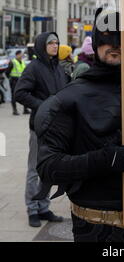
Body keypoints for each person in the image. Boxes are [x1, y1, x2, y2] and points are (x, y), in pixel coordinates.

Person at [34, 9, 124, 242]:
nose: (114, 44)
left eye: (121, 37)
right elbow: (48, 165)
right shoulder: (68, 101)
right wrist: (105, 160)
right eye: (106, 37)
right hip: (93, 226)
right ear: (95, 43)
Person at [14, 32, 67, 228]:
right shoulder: (33, 68)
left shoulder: (58, 68)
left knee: (49, 169)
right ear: (41, 45)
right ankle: (32, 208)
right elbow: (20, 93)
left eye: (56, 42)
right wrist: (43, 105)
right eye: (50, 42)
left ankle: (44, 206)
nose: (55, 45)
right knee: (34, 169)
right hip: (39, 126)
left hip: (57, 128)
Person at [6, 50, 30, 115]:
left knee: (25, 94)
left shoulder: (22, 62)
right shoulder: (12, 62)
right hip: (14, 80)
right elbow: (7, 72)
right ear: (17, 55)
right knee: (14, 96)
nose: (22, 56)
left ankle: (25, 109)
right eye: (21, 54)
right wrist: (10, 78)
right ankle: (15, 110)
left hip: (22, 80)